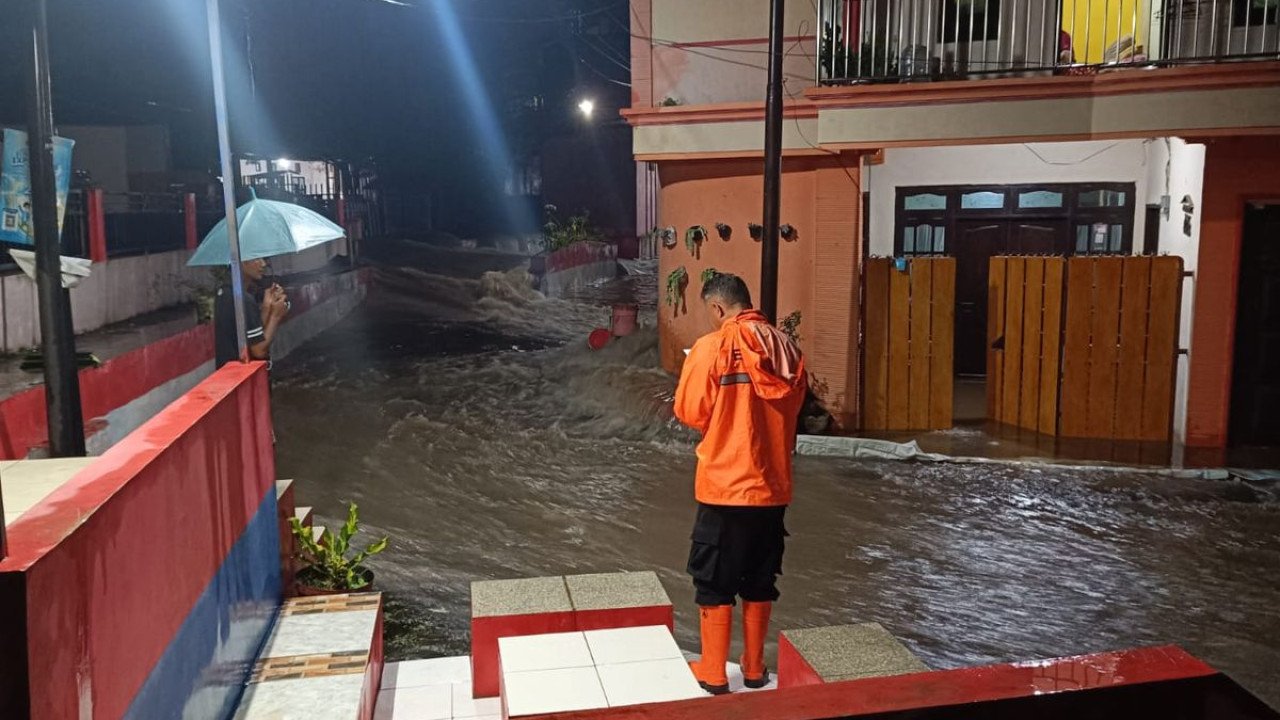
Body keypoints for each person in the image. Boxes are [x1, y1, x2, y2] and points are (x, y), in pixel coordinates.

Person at [674, 273, 806, 694]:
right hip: (771, 487)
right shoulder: (785, 347)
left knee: (713, 580)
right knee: (760, 577)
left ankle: (714, 673)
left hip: (725, 486)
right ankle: (753, 668)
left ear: (717, 308)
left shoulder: (712, 347)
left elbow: (691, 412)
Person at [214, 257, 289, 367]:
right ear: (243, 262)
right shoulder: (244, 299)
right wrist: (275, 316)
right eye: (257, 259)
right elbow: (258, 350)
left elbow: (253, 336)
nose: (263, 264)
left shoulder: (225, 291)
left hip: (228, 372)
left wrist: (266, 307)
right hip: (241, 374)